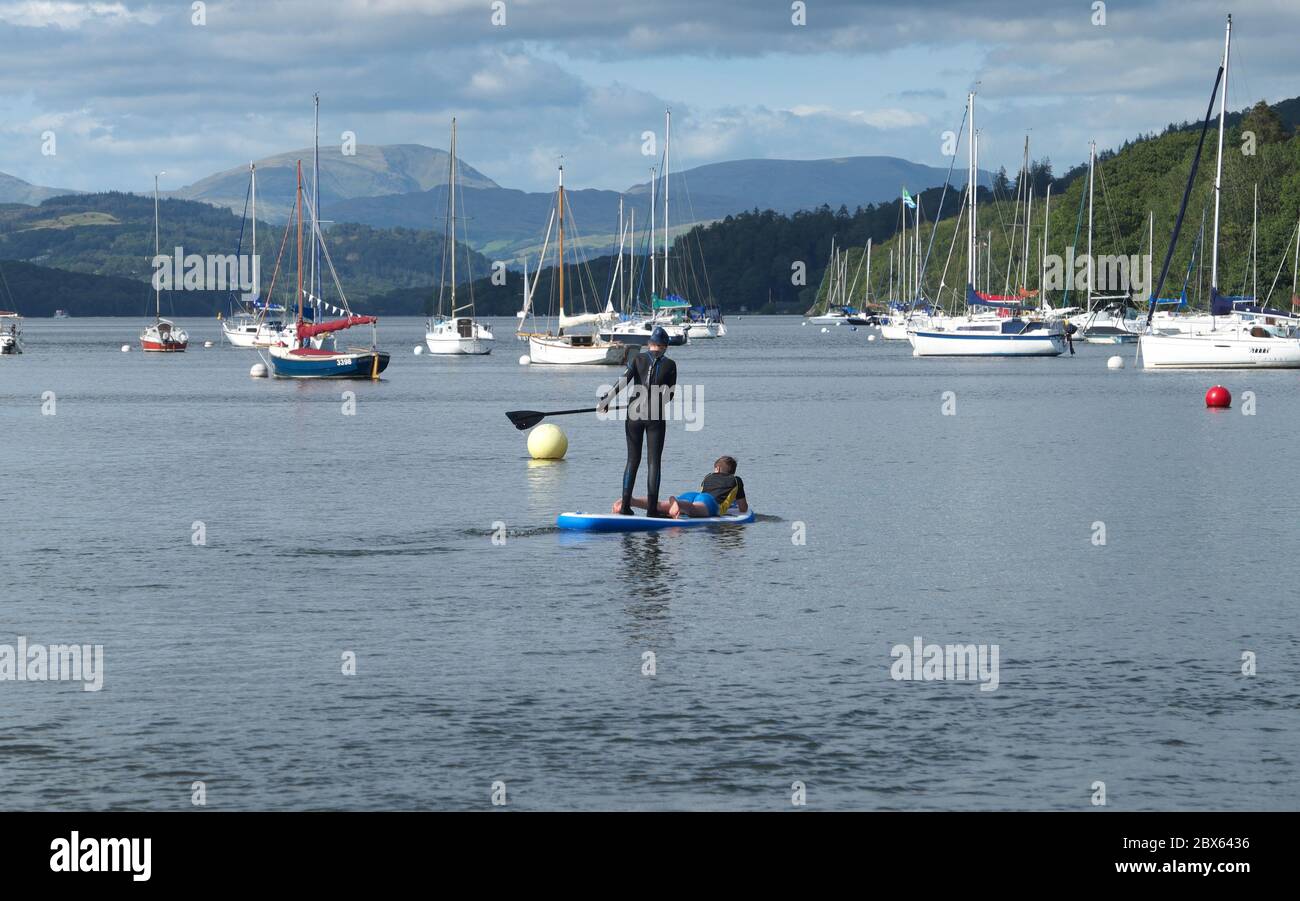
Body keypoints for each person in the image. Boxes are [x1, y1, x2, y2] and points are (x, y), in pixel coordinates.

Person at [599, 326, 677, 517]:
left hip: (633, 415)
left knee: (632, 460)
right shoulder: (671, 365)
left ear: (649, 344)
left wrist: (606, 401)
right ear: (665, 346)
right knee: (653, 463)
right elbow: (669, 396)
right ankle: (652, 510)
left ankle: (625, 506)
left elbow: (623, 381)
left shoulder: (637, 359)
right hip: (655, 417)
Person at [613, 455, 747, 519]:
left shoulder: (708, 476)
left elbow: (702, 493)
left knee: (660, 505)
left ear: (717, 468)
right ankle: (677, 504)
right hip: (710, 503)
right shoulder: (736, 480)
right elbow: (743, 507)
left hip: (692, 495)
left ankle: (632, 501)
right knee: (694, 509)